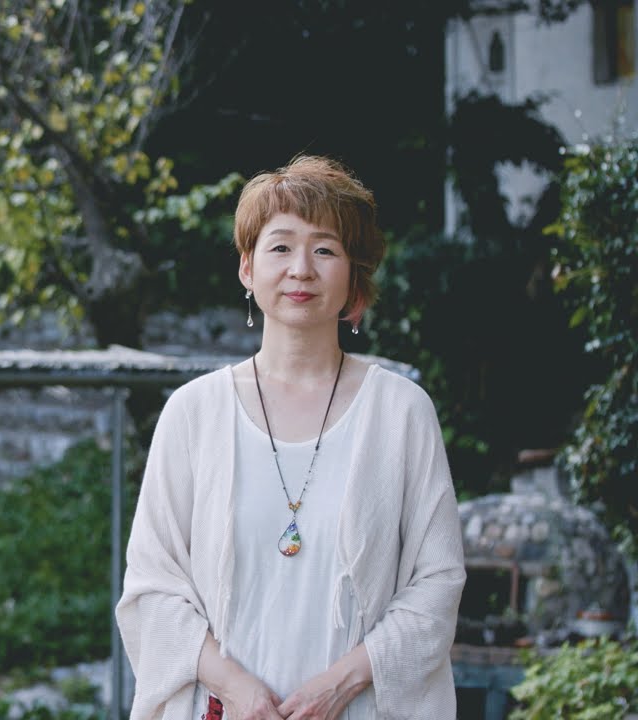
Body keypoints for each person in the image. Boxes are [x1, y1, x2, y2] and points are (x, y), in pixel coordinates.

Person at [115, 156, 466, 720]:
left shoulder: (401, 412)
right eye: (280, 247)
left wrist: (339, 685)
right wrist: (239, 690)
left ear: (353, 273)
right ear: (247, 270)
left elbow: (438, 582)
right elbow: (152, 589)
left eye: (325, 249)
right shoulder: (193, 413)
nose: (301, 268)